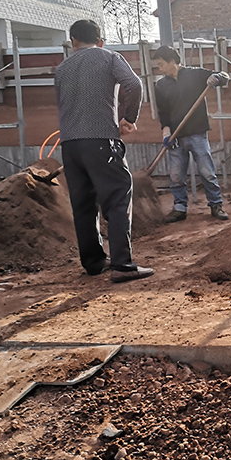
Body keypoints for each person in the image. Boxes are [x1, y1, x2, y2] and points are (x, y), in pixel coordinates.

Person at [54, 19, 152, 283]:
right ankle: (122, 265)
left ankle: (94, 261)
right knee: (118, 197)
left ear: (73, 42)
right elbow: (133, 85)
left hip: (70, 146)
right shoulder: (109, 57)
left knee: (83, 204)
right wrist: (128, 118)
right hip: (100, 141)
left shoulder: (62, 68)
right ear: (100, 40)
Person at [152, 46, 229, 223]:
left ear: (172, 62)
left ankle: (216, 205)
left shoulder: (195, 75)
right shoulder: (161, 85)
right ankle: (180, 208)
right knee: (176, 174)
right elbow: (163, 112)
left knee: (206, 171)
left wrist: (216, 77)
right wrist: (166, 132)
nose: (160, 69)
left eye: (161, 64)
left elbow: (224, 75)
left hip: (197, 133)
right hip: (175, 137)